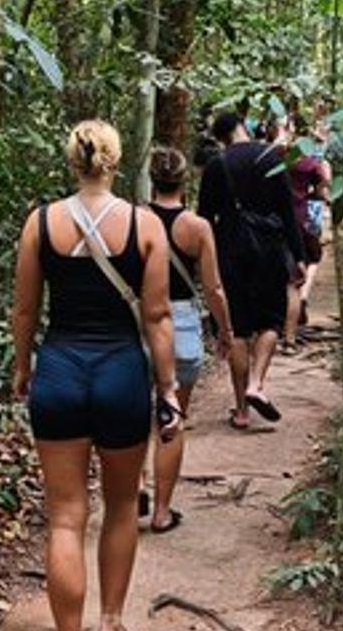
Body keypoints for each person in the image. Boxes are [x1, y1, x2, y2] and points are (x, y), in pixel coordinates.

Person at [11, 120, 182, 631]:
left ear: (73, 161)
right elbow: (157, 317)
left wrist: (24, 368)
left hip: (60, 372)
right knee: (122, 505)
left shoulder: (40, 223)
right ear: (116, 161)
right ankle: (110, 620)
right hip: (122, 376)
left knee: (65, 515)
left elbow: (24, 312)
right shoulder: (145, 225)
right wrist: (168, 388)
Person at [144, 145, 236, 533]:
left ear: (151, 178)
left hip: (139, 323)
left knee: (134, 416)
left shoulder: (134, 220)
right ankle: (162, 511)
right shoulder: (197, 228)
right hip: (179, 322)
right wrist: (225, 330)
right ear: (186, 180)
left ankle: (135, 488)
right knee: (172, 419)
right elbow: (213, 288)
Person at [198, 110, 306, 428]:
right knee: (271, 321)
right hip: (270, 249)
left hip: (230, 251)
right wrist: (297, 256)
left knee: (239, 329)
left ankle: (242, 410)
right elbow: (287, 211)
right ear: (242, 127)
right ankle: (256, 383)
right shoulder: (270, 157)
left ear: (221, 137)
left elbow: (205, 216)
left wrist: (204, 258)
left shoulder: (217, 164)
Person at [282, 113, 331, 352]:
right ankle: (289, 339)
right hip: (302, 220)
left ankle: (270, 331)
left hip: (274, 223)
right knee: (296, 279)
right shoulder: (311, 161)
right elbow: (323, 187)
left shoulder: (279, 156)